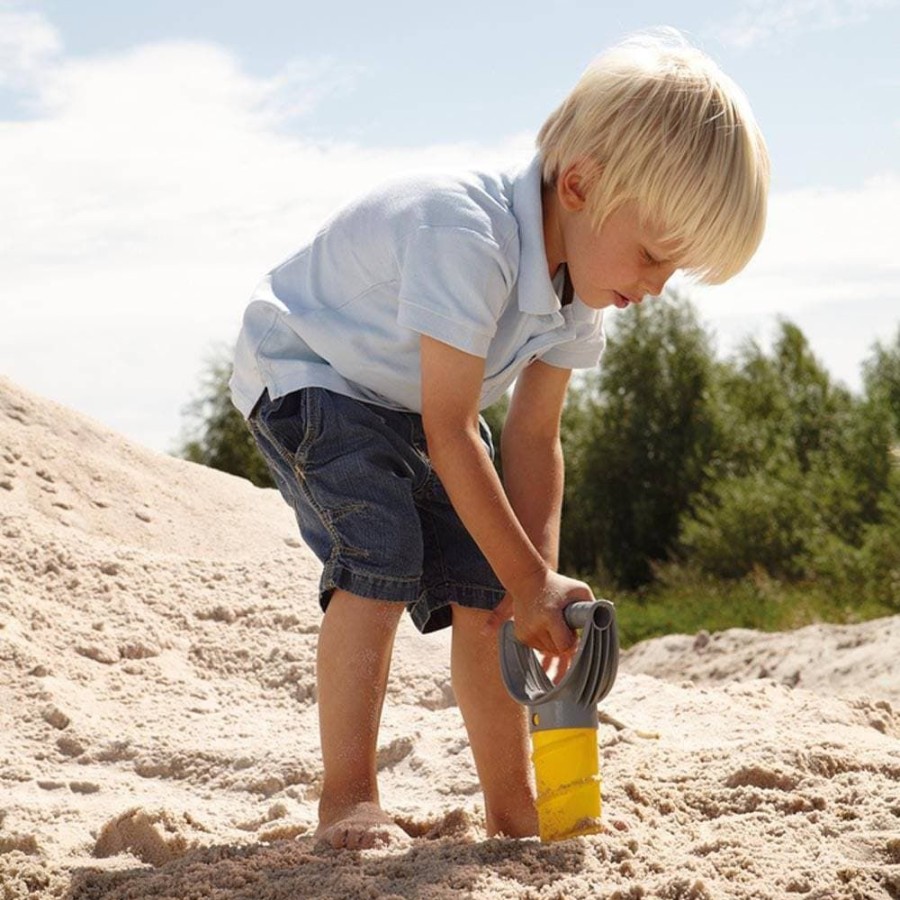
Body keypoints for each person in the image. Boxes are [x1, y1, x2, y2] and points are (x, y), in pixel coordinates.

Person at [230, 29, 769, 850]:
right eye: (655, 255)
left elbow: (534, 436)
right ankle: (347, 800)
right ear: (581, 185)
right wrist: (528, 581)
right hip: (312, 371)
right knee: (381, 553)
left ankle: (515, 815)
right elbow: (453, 430)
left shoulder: (581, 294)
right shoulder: (466, 237)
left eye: (674, 271)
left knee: (490, 593)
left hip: (410, 398)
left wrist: (532, 588)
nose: (656, 288)